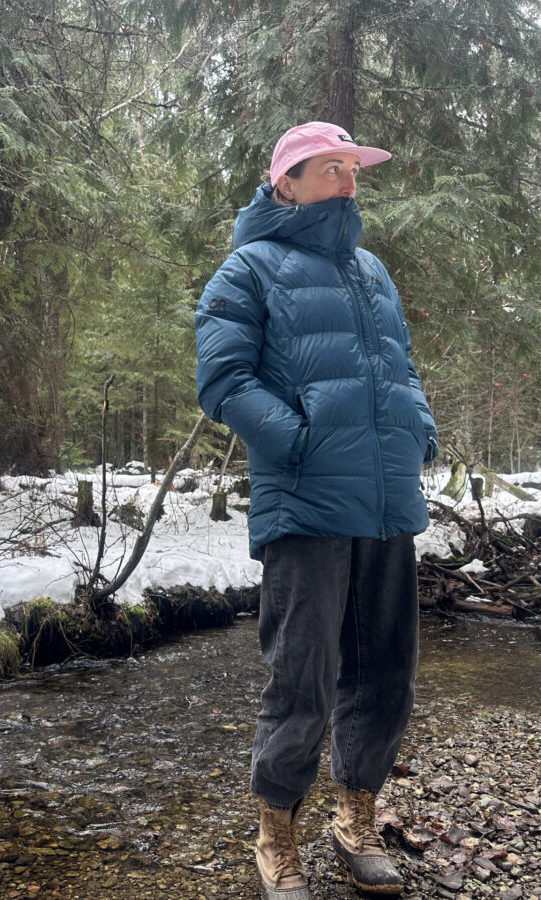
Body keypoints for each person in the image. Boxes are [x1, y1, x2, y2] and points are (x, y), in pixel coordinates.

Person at [195, 121, 438, 899]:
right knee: (301, 677)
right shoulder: (247, 269)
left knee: (384, 672)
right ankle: (275, 839)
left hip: (386, 502)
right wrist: (297, 444)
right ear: (284, 184)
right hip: (305, 505)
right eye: (327, 168)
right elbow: (226, 382)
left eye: (351, 168)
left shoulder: (372, 271)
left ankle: (354, 819)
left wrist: (418, 433)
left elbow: (399, 367)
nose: (345, 181)